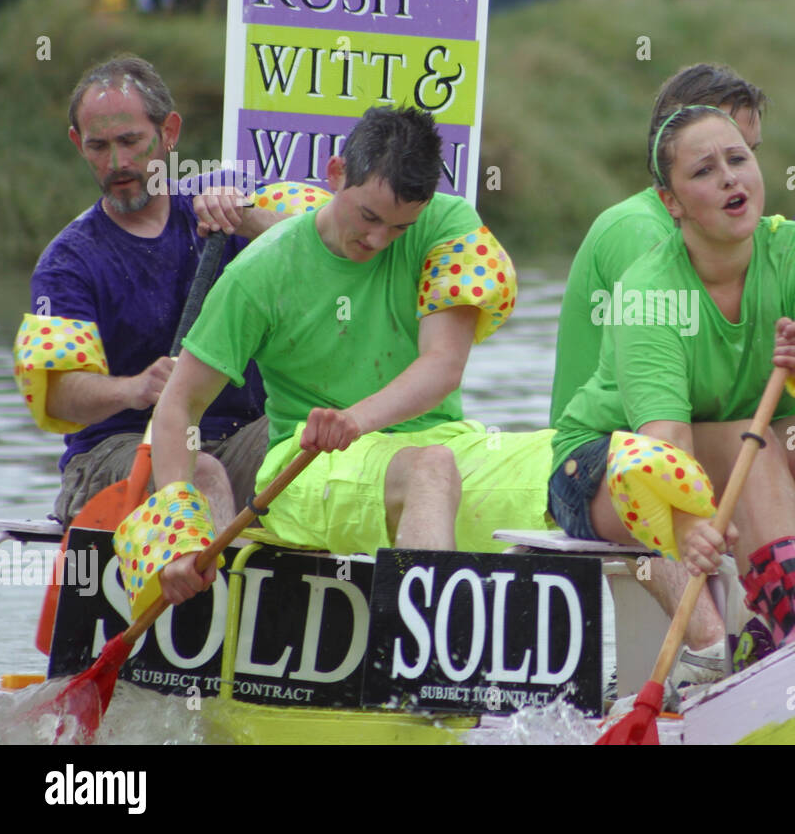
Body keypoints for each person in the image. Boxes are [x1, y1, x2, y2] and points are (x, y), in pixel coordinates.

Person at [151, 105, 552, 605]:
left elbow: (444, 366)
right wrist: (175, 535)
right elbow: (180, 404)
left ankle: (675, 669)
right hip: (308, 461)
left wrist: (355, 418)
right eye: (368, 217)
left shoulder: (450, 223)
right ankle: (420, 670)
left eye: (400, 228)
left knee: (578, 462)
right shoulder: (261, 270)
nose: (378, 241)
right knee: (430, 469)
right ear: (336, 173)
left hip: (442, 441)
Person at [549, 104, 795, 663]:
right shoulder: (649, 291)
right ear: (672, 203)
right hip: (609, 464)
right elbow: (663, 445)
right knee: (741, 445)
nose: (729, 176)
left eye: (738, 159)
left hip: (732, 452)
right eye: (704, 170)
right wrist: (686, 523)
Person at [551, 62, 766, 683]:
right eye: (713, 161)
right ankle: (706, 657)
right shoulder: (643, 232)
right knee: (684, 472)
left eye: (745, 156)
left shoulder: (736, 237)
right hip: (606, 450)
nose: (735, 177)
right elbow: (665, 419)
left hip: (676, 433)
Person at [17, 56, 277, 527]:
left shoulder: (227, 207)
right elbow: (55, 394)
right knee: (202, 475)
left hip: (238, 436)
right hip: (117, 450)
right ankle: (211, 591)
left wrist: (252, 218)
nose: (117, 163)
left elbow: (331, 250)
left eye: (131, 141)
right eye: (98, 146)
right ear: (78, 144)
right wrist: (136, 388)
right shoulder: (68, 261)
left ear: (169, 132)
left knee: (310, 446)